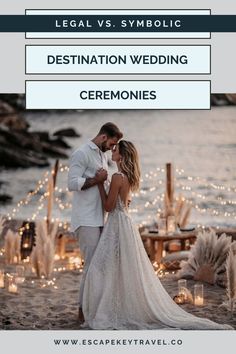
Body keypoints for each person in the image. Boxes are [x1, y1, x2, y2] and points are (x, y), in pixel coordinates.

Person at [81, 140, 233, 330]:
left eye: (115, 149)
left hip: (117, 225)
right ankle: (118, 305)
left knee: (102, 268)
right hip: (126, 225)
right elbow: (124, 203)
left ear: (122, 155)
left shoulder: (117, 177)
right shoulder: (128, 177)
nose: (112, 151)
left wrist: (99, 184)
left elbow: (109, 207)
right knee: (122, 269)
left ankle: (110, 308)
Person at [67, 122, 123, 323]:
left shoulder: (102, 155)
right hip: (86, 218)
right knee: (91, 266)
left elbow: (104, 183)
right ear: (103, 137)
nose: (112, 148)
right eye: (112, 143)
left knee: (99, 266)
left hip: (100, 218)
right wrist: (96, 180)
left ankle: (94, 309)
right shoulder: (81, 153)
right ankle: (82, 311)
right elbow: (72, 183)